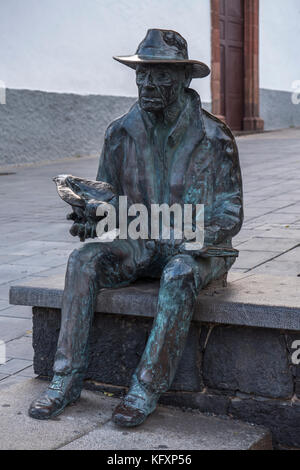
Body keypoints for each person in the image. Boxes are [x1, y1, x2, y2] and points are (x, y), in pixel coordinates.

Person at [29, 29, 243, 427]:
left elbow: (231, 210)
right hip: (141, 240)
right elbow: (110, 196)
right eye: (142, 74)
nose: (148, 83)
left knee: (179, 272)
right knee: (83, 259)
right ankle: (65, 379)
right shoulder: (120, 132)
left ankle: (145, 388)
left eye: (161, 75)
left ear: (183, 80)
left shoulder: (214, 137)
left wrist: (196, 237)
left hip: (199, 249)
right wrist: (93, 214)